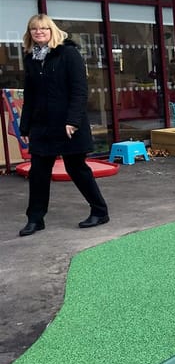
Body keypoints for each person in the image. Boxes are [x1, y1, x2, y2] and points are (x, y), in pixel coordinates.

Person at [17, 14, 109, 237]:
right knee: (39, 171)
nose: (39, 32)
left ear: (52, 30)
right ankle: (35, 219)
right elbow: (30, 95)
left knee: (76, 169)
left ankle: (100, 211)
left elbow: (79, 90)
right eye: (34, 29)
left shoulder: (69, 54)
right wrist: (25, 127)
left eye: (43, 29)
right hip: (41, 125)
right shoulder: (31, 58)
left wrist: (73, 121)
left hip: (68, 123)